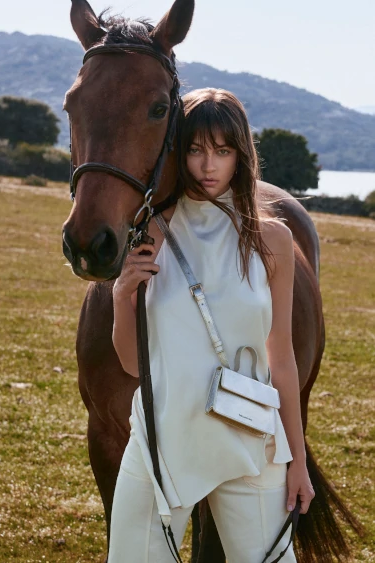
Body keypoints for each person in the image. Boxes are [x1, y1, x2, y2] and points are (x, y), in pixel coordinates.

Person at [109, 88, 315, 562]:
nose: (207, 165)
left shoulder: (272, 239)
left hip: (251, 442)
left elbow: (282, 358)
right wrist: (122, 295)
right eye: (195, 149)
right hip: (162, 441)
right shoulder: (151, 232)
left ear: (241, 156)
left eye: (222, 151)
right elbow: (134, 365)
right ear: (178, 152)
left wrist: (297, 460)